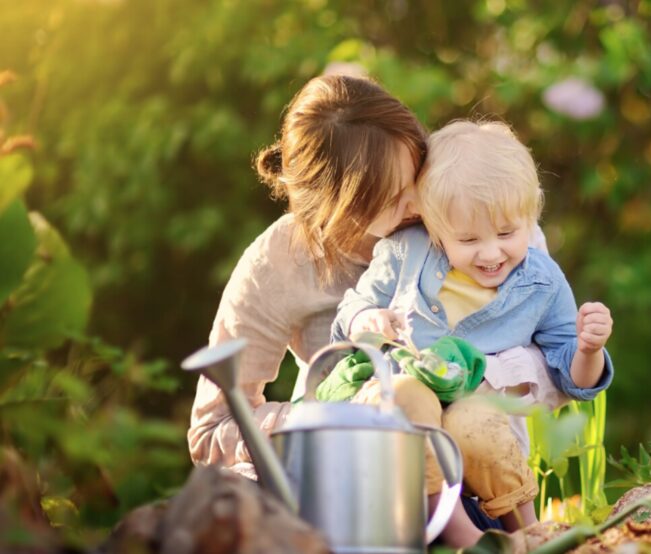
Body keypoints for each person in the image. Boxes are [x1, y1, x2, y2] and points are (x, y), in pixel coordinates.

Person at [187, 75, 564, 547]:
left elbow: (560, 359)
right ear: (336, 206)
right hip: (359, 503)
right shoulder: (279, 261)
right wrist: (333, 420)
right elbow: (213, 429)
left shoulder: (471, 206)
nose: (420, 202)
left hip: (486, 491)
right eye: (392, 195)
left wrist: (474, 376)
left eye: (418, 171)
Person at [330, 120, 615, 545]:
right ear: (435, 229)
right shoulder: (406, 252)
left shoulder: (542, 282)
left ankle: (528, 532)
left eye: (506, 233)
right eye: (468, 239)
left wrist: (589, 349)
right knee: (406, 394)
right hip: (402, 408)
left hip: (474, 418)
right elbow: (351, 308)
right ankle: (451, 529)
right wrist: (365, 319)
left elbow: (570, 377)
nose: (490, 252)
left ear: (529, 216)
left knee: (475, 416)